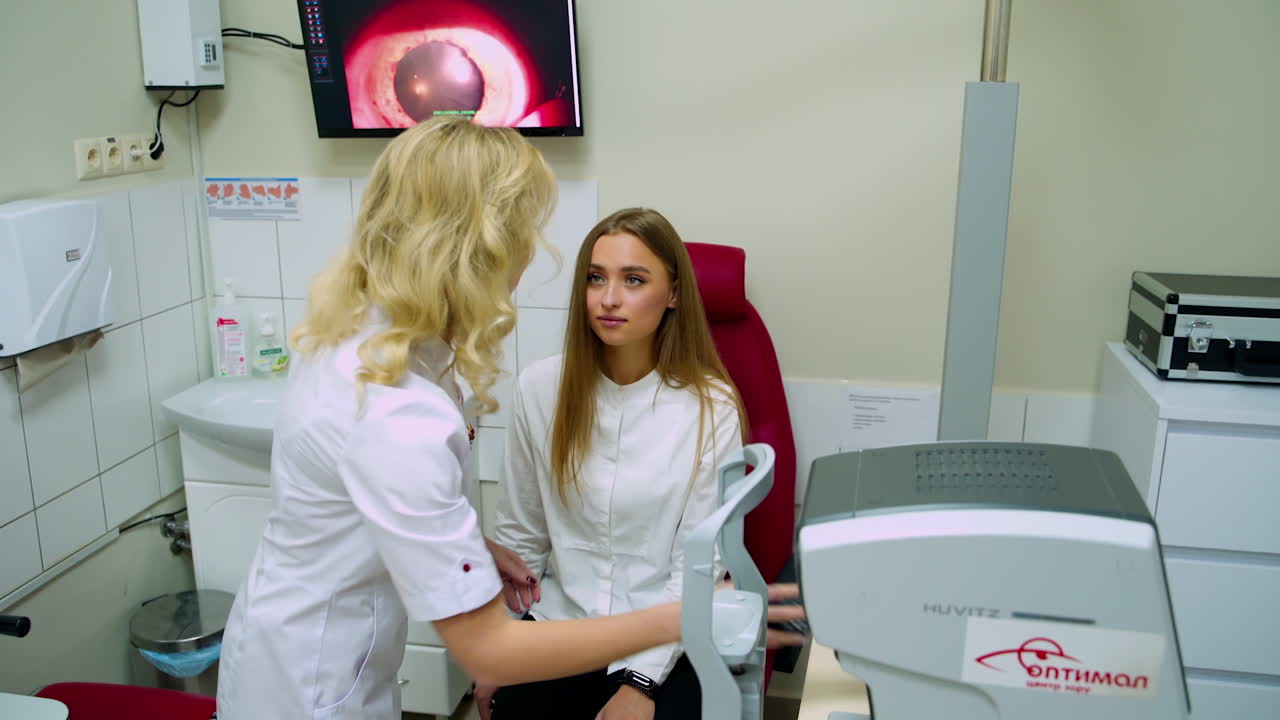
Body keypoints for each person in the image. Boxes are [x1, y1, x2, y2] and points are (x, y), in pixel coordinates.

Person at [214, 118, 804, 720]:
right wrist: (691, 616)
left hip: (322, 650)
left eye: (633, 280)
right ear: (477, 247)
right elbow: (490, 649)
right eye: (522, 234)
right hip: (309, 680)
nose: (527, 257)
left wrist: (472, 548)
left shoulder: (359, 342)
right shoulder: (406, 407)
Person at [483, 208, 749, 720]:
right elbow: (520, 538)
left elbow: (698, 565)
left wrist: (641, 681)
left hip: (670, 633)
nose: (608, 298)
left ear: (673, 294)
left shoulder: (709, 407)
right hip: (562, 625)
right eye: (595, 278)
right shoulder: (541, 389)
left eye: (633, 280)